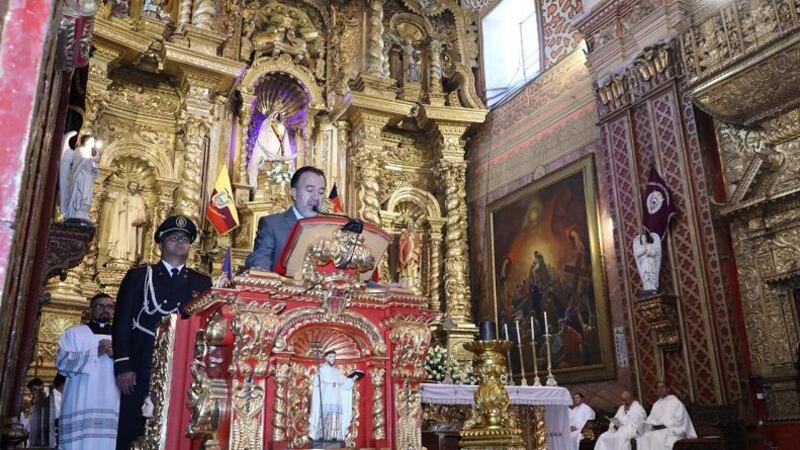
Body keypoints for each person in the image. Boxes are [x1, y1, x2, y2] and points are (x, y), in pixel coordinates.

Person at [112, 215, 211, 450]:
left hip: (184, 367)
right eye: (173, 237)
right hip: (141, 364)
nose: (180, 242)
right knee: (134, 427)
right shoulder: (139, 277)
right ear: (160, 244)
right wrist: (123, 365)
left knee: (179, 428)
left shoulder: (202, 282)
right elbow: (122, 322)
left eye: (185, 239)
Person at [56, 293, 119, 449]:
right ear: (90, 310)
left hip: (112, 396)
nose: (106, 309)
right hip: (81, 397)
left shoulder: (121, 335)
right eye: (101, 306)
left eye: (110, 306)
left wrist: (116, 355)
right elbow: (62, 363)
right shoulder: (74, 333)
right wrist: (95, 352)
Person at [245, 166, 325, 271]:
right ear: (294, 193)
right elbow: (260, 257)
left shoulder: (329, 229)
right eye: (309, 190)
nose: (315, 197)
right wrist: (260, 270)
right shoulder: (272, 224)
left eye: (321, 192)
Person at [308, 350, 363, 444]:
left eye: (334, 357)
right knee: (326, 416)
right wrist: (328, 383)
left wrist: (353, 379)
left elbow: (344, 382)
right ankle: (323, 435)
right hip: (326, 398)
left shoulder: (336, 371)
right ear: (326, 358)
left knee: (335, 416)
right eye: (330, 357)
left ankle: (333, 436)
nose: (332, 359)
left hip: (336, 399)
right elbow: (318, 383)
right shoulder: (322, 369)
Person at [637, 381, 696, 450]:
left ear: (668, 389)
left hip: (672, 430)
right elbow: (650, 419)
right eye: (658, 388)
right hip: (657, 430)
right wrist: (653, 424)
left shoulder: (675, 402)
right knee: (644, 438)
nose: (660, 389)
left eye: (663, 387)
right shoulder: (656, 404)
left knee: (658, 437)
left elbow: (680, 420)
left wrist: (664, 425)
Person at [59, 131, 102, 221]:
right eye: (91, 141)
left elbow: (90, 164)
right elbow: (82, 162)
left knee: (87, 197)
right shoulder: (79, 150)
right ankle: (76, 213)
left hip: (87, 178)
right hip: (80, 179)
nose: (93, 143)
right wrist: (92, 161)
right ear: (86, 142)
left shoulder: (89, 153)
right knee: (80, 196)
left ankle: (83, 213)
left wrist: (93, 164)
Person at [107, 181, 148, 262]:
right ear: (128, 186)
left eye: (136, 186)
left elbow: (142, 212)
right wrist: (123, 204)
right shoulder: (123, 196)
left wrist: (140, 218)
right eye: (132, 185)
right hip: (122, 220)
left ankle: (130, 256)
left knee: (131, 237)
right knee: (121, 236)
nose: (134, 188)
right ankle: (118, 256)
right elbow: (115, 208)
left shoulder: (139, 199)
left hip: (133, 222)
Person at [26, 377, 49, 446]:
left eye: (34, 389)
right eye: (31, 391)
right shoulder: (32, 402)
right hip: (35, 436)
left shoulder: (49, 399)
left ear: (42, 386)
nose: (33, 393)